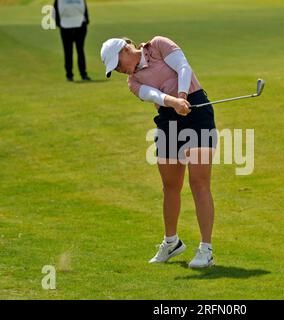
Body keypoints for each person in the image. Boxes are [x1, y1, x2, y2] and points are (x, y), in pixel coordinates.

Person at [100, 36, 218, 268]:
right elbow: (154, 96)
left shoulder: (158, 45)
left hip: (197, 111)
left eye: (117, 63)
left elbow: (183, 67)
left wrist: (183, 96)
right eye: (114, 69)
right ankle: (171, 242)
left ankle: (206, 250)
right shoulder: (133, 82)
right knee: (170, 186)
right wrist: (174, 102)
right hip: (168, 118)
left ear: (126, 49)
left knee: (199, 182)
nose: (119, 70)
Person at [54, 0, 91, 81]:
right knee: (68, 51)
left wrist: (86, 21)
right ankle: (69, 75)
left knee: (80, 50)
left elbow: (85, 9)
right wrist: (59, 24)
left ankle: (83, 74)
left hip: (80, 24)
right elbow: (55, 11)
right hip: (65, 25)